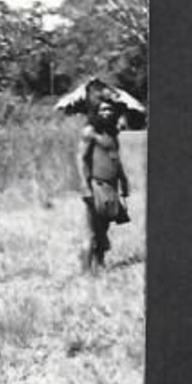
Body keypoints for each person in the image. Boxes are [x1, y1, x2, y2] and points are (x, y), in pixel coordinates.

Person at [77, 97, 130, 274]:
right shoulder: (90, 132)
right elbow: (81, 159)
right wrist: (85, 186)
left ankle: (99, 264)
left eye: (110, 110)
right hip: (96, 185)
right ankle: (85, 272)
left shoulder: (112, 132)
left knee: (103, 229)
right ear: (96, 112)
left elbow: (116, 159)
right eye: (103, 110)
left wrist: (123, 180)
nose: (107, 113)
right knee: (91, 230)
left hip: (111, 186)